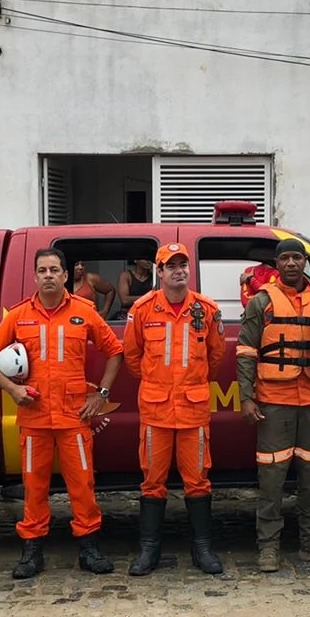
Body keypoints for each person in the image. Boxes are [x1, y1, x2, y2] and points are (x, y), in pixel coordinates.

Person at [0, 248, 124, 579]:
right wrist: (13, 390)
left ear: (64, 275)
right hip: (35, 418)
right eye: (42, 270)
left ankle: (89, 547)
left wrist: (101, 395)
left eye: (54, 270)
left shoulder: (84, 312)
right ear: (34, 276)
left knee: (83, 485)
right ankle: (32, 551)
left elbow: (115, 352)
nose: (48, 275)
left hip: (75, 417)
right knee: (34, 486)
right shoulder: (17, 315)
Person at [237, 238, 310, 572]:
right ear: (276, 264)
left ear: (305, 262)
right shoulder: (262, 303)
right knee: (272, 476)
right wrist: (247, 397)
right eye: (285, 258)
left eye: (297, 258)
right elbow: (245, 353)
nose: (291, 263)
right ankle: (269, 546)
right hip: (274, 400)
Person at [123, 242, 227, 577]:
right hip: (155, 412)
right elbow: (132, 358)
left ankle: (203, 548)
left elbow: (215, 359)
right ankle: (149, 550)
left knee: (198, 481)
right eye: (171, 266)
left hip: (193, 411)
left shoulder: (207, 310)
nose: (178, 270)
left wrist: (189, 386)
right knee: (152, 482)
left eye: (183, 265)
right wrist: (158, 385)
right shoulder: (142, 310)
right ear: (160, 272)